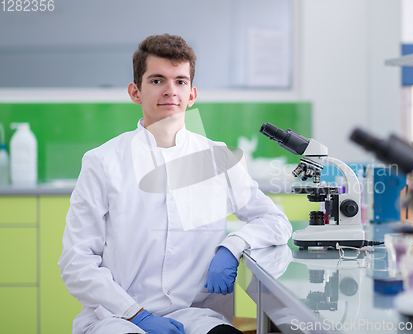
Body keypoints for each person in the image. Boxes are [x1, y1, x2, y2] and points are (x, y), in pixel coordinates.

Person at [58, 33, 292, 334]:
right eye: (157, 80)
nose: (171, 90)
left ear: (192, 94)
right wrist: (137, 315)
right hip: (118, 318)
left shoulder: (217, 158)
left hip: (196, 315)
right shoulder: (103, 162)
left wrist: (232, 246)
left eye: (180, 81)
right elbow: (76, 262)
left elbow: (275, 221)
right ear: (135, 92)